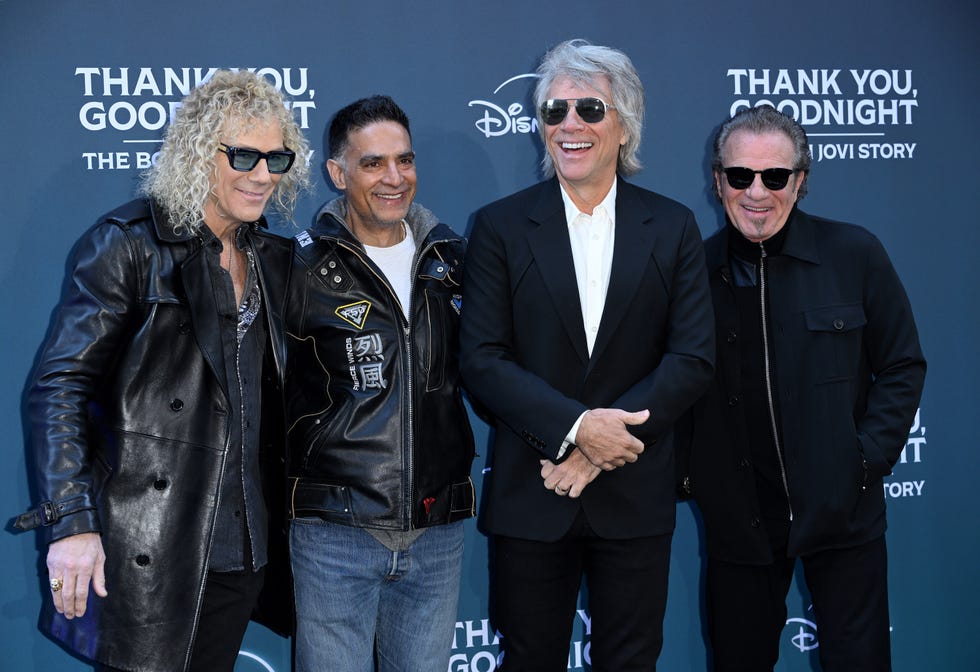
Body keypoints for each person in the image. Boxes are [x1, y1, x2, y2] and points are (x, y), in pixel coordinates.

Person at [12, 69, 310, 671]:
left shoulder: (273, 256)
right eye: (244, 155)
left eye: (276, 157)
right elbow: (58, 388)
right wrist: (70, 523)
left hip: (240, 548)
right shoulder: (128, 244)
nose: (262, 174)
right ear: (200, 152)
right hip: (147, 543)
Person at [459, 39, 715, 671]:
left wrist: (605, 444)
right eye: (554, 110)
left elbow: (692, 357)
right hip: (533, 494)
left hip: (634, 493)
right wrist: (577, 430)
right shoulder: (499, 225)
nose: (569, 124)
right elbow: (483, 358)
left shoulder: (674, 225)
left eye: (589, 109)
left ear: (623, 122)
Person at [680, 104, 926, 671]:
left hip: (843, 513)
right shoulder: (692, 270)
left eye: (775, 176)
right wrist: (694, 475)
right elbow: (670, 382)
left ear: (802, 181)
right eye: (740, 175)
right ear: (718, 182)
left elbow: (902, 366)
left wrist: (862, 461)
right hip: (739, 521)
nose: (756, 192)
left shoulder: (855, 254)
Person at [283, 95, 475, 672]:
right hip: (334, 533)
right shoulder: (298, 269)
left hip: (436, 531)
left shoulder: (455, 261)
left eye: (405, 160)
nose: (395, 178)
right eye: (373, 164)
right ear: (338, 174)